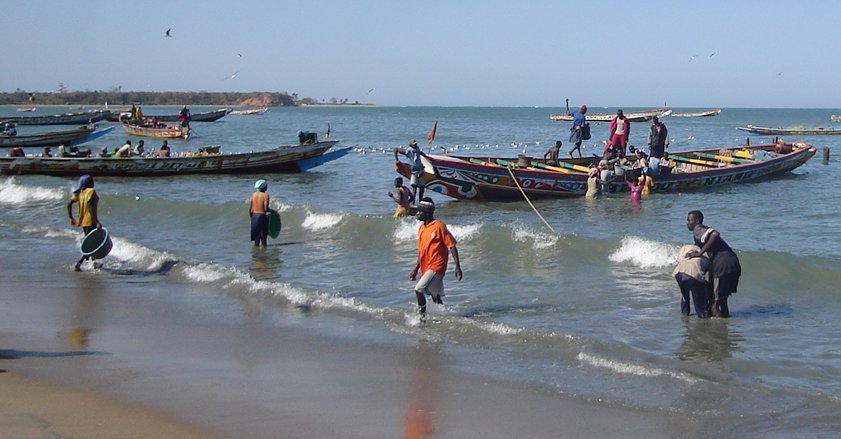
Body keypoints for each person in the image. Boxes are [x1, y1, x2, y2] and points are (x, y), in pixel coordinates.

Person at [409, 198, 462, 321]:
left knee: (418, 289)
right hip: (426, 266)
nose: (417, 214)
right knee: (435, 295)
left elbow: (452, 245)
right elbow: (421, 250)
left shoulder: (439, 226)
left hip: (437, 266)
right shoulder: (421, 227)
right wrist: (415, 269)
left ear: (427, 213)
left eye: (419, 212)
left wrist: (457, 266)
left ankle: (422, 318)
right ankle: (445, 317)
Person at [685, 210, 742, 318]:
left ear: (697, 221)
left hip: (723, 265)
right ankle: (726, 326)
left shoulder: (698, 229)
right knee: (722, 301)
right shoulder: (701, 232)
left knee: (714, 306)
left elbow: (715, 234)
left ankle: (718, 331)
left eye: (689, 220)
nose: (687, 223)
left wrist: (700, 253)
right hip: (732, 262)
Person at [67, 175, 102, 272]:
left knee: (92, 243)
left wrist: (71, 218)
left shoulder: (79, 193)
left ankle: (94, 264)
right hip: (91, 222)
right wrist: (97, 222)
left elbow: (69, 204)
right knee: (91, 245)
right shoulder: (91, 191)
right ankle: (78, 264)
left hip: (83, 223)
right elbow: (90, 206)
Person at [673, 244, 710, 318]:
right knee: (698, 301)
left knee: (684, 296)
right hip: (693, 275)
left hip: (679, 274)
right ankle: (702, 319)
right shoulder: (705, 255)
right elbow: (705, 274)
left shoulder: (684, 248)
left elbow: (679, 260)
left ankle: (685, 317)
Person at [249, 179, 270, 247]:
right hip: (262, 216)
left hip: (254, 216)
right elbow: (266, 208)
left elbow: (250, 209)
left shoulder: (253, 195)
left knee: (256, 238)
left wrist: (251, 218)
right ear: (264, 187)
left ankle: (256, 254)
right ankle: (264, 253)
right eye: (266, 185)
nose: (267, 187)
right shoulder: (265, 195)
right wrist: (272, 211)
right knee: (263, 237)